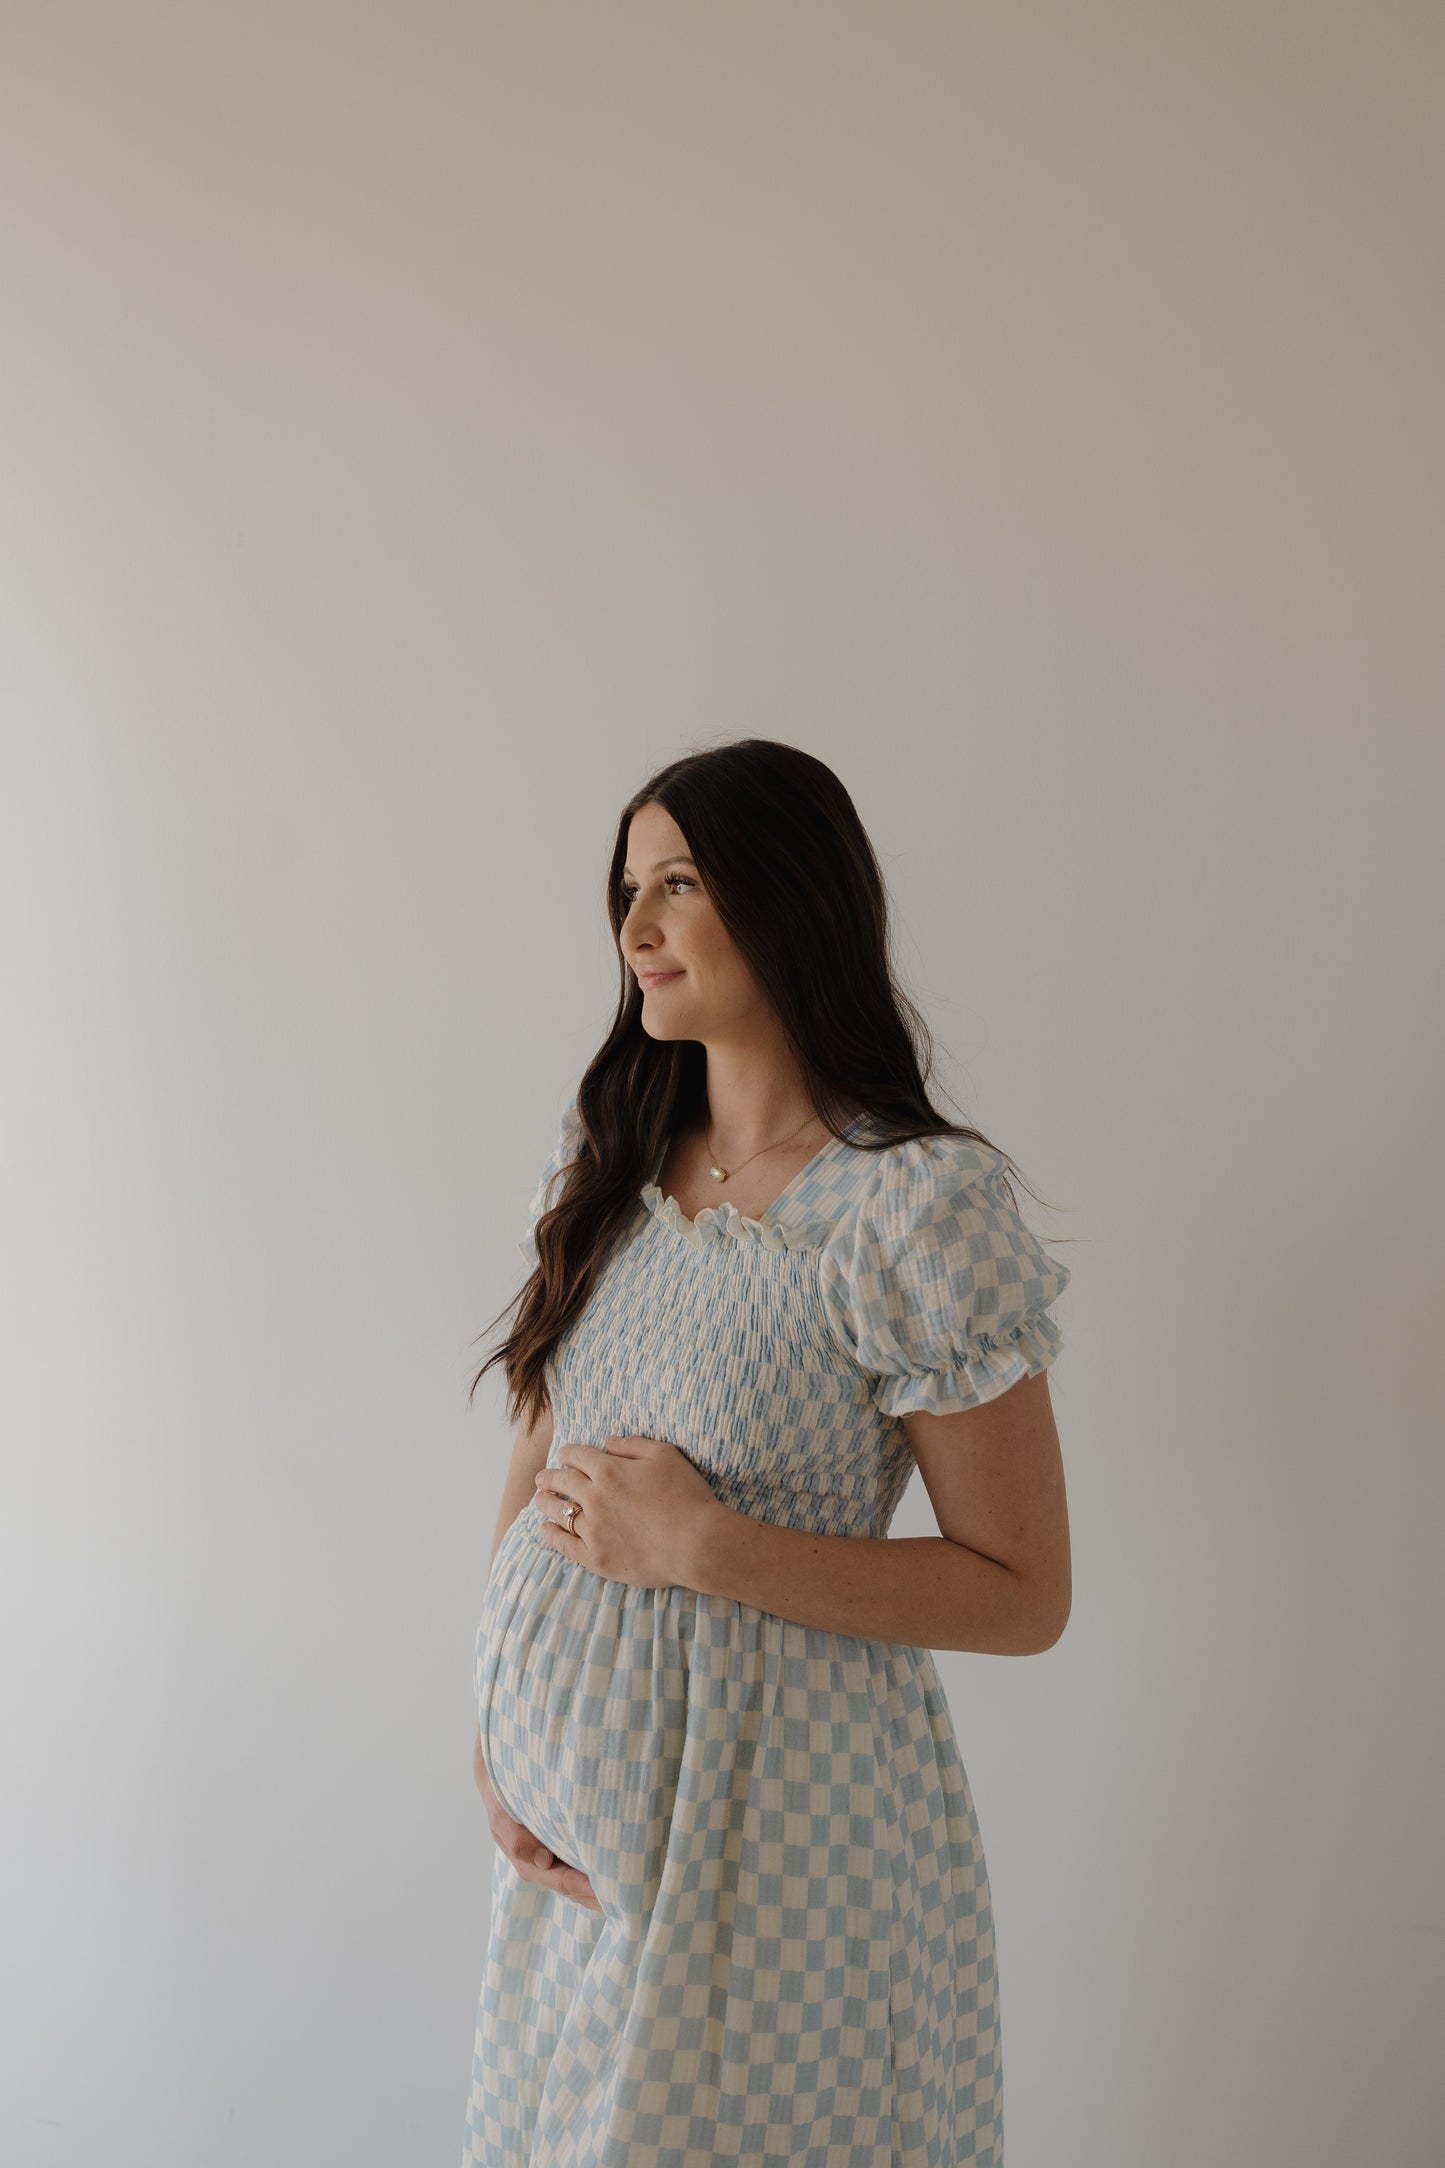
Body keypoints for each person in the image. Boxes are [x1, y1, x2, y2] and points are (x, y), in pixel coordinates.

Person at [461, 738, 1075, 2167]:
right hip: (577, 1870)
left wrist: (704, 1546)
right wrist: (494, 1733)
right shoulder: (614, 1160)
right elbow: (540, 1453)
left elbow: (1021, 1590)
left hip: (783, 1835)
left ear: (791, 896)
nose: (635, 931)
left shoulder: (910, 1207)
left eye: (677, 882)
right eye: (626, 890)